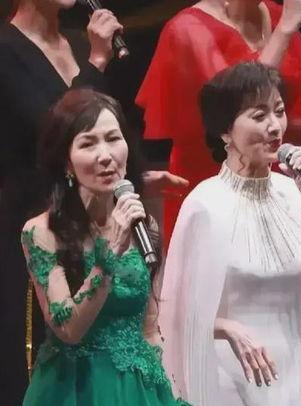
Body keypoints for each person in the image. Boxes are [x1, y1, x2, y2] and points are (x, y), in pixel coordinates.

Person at [159, 62, 301, 406]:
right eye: (259, 115)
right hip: (230, 375)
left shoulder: (294, 194)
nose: (275, 126)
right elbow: (176, 314)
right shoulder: (204, 204)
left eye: (279, 111)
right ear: (225, 132)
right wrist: (227, 328)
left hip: (295, 371)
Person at [20, 88, 190, 406]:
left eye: (113, 139)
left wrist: (162, 387)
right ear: (66, 161)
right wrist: (107, 257)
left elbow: (149, 326)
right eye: (88, 144)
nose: (105, 155)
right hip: (75, 389)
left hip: (136, 387)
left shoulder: (143, 224)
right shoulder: (42, 232)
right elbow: (68, 329)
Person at [135, 0, 301, 245]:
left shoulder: (277, 14)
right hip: (214, 177)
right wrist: (285, 28)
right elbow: (234, 108)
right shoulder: (187, 28)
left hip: (269, 173)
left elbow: (267, 109)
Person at [0, 1, 122, 403]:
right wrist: (96, 64)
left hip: (91, 227)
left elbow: (104, 130)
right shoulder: (6, 51)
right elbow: (53, 136)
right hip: (34, 230)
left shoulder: (79, 43)